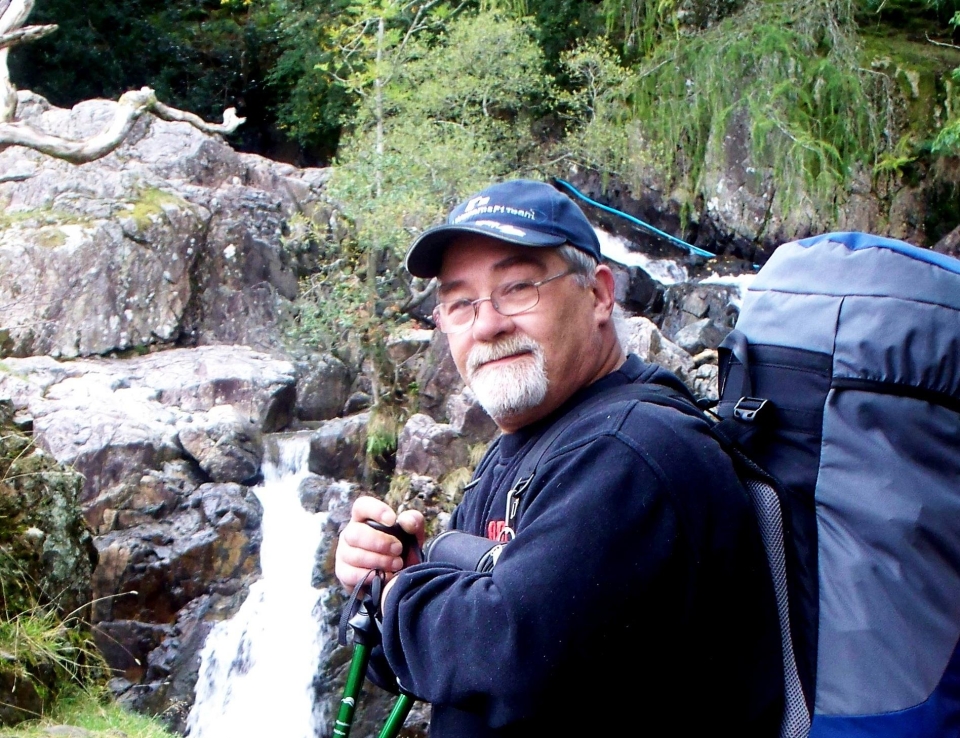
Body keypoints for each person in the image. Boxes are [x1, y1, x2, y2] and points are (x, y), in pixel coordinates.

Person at [335, 179, 784, 736]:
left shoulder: (631, 451)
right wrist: (384, 576)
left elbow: (507, 653)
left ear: (598, 295)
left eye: (518, 287)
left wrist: (398, 595)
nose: (487, 323)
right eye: (458, 303)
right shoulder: (521, 449)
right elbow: (429, 666)